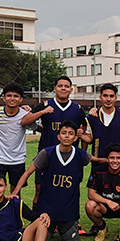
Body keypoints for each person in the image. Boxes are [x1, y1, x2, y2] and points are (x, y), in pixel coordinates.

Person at [11, 120, 92, 241]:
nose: (67, 136)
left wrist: (112, 162)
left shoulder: (80, 154)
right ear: (58, 136)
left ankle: (65, 227)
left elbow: (96, 160)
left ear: (76, 138)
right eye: (64, 133)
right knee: (40, 240)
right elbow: (27, 173)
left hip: (68, 211)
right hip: (47, 210)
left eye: (70, 133)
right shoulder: (46, 153)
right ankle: (47, 226)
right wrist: (15, 192)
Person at [21, 76, 86, 207]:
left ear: (71, 89)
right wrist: (43, 112)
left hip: (69, 157)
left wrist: (82, 152)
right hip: (47, 155)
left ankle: (70, 222)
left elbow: (84, 129)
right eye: (60, 86)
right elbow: (25, 121)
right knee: (40, 189)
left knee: (70, 190)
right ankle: (37, 220)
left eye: (66, 86)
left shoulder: (77, 108)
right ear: (54, 88)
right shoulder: (45, 105)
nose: (63, 88)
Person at [0, 82, 34, 195]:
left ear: (21, 99)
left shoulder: (25, 115)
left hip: (17, 160)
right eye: (9, 95)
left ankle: (15, 212)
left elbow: (36, 127)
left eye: (16, 96)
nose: (12, 98)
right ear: (4, 98)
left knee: (15, 192)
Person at [84, 83, 120, 163]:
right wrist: (80, 135)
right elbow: (89, 138)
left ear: (116, 98)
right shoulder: (92, 116)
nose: (108, 99)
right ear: (100, 97)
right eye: (105, 96)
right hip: (99, 162)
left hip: (119, 162)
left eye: (111, 96)